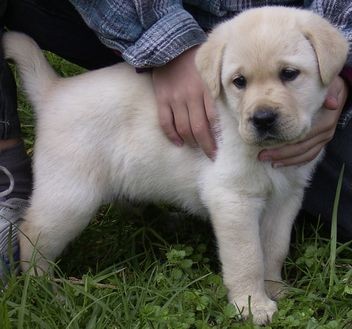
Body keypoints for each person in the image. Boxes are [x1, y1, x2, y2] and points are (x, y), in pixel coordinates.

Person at [0, 0, 351, 283]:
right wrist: (169, 47)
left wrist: (343, 76)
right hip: (90, 112)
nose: (262, 110)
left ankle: (147, 212)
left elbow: (287, 195)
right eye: (240, 82)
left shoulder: (313, 46)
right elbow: (231, 198)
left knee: (295, 190)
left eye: (288, 74)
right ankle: (33, 272)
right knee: (67, 206)